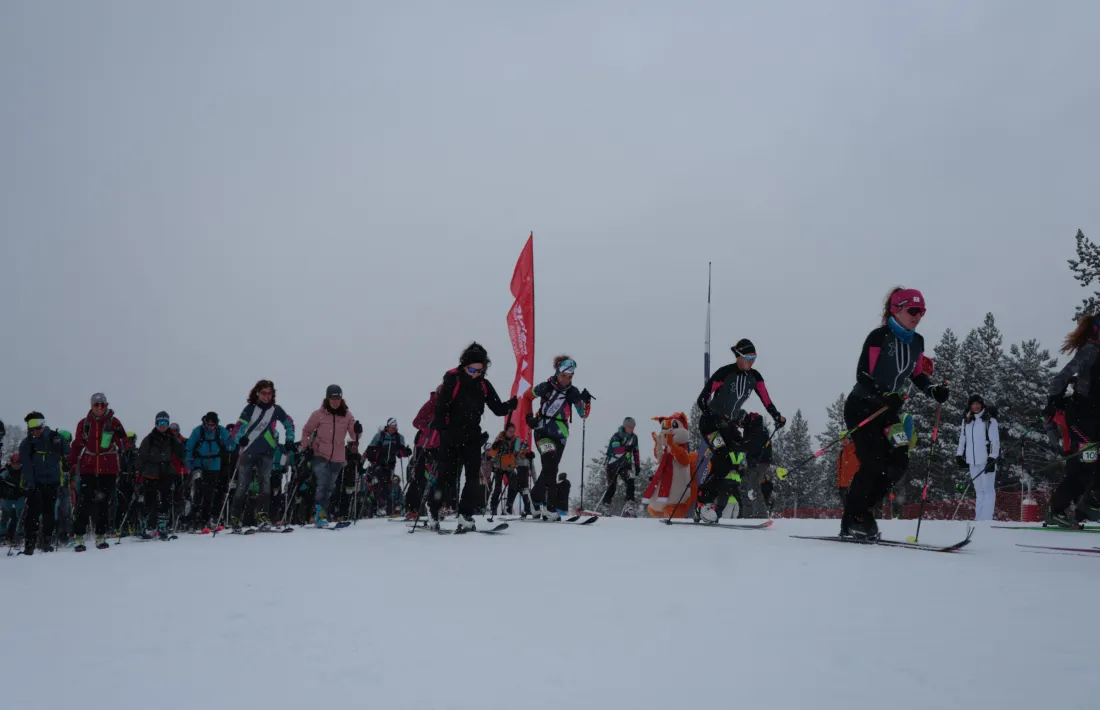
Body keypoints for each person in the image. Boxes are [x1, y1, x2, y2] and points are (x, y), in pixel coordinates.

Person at [842, 288, 949, 539]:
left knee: (899, 462)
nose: (918, 316)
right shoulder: (879, 337)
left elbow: (916, 374)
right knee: (874, 461)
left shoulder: (917, 341)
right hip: (863, 407)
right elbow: (863, 375)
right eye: (913, 310)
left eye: (922, 311)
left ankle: (864, 512)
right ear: (896, 309)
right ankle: (852, 518)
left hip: (889, 412)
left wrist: (932, 390)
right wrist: (884, 394)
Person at [694, 339, 786, 523]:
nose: (752, 362)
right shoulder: (725, 373)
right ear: (738, 356)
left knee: (736, 462)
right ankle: (702, 502)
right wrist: (713, 415)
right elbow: (702, 399)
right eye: (749, 357)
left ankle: (714, 509)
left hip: (728, 426)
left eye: (754, 358)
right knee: (722, 456)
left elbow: (766, 400)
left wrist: (776, 416)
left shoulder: (755, 377)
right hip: (711, 424)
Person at [430, 342, 517, 531]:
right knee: (447, 477)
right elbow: (441, 407)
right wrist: (442, 426)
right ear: (464, 365)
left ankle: (465, 514)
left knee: (472, 477)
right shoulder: (453, 380)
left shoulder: (484, 385)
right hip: (451, 435)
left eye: (480, 370)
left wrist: (510, 404)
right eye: (472, 369)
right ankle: (433, 510)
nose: (476, 373)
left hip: (472, 436)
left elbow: (497, 409)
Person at [1045, 314, 1100, 528]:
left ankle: (1086, 506)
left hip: (1095, 417)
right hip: (1082, 416)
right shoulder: (1090, 350)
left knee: (1090, 464)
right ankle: (1058, 510)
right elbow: (1061, 377)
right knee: (1083, 465)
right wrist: (1053, 399)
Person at [524, 355, 591, 521]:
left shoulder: (573, 392)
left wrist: (586, 401)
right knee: (551, 463)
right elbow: (526, 397)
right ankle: (549, 506)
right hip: (542, 432)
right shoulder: (545, 386)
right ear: (557, 372)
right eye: (563, 376)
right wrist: (528, 416)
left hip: (560, 436)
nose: (566, 380)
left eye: (570, 377)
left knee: (549, 468)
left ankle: (534, 500)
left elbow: (583, 414)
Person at [230, 380, 296, 530]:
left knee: (265, 484)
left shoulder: (276, 410)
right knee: (243, 484)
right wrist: (240, 438)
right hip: (249, 450)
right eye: (264, 393)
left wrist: (290, 439)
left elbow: (289, 423)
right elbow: (239, 427)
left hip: (267, 451)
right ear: (257, 393)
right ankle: (235, 517)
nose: (267, 396)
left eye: (269, 393)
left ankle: (262, 516)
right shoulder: (250, 408)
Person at [69, 393, 131, 551]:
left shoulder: (114, 422)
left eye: (102, 404)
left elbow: (124, 442)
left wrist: (127, 448)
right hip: (88, 467)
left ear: (106, 405)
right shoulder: (84, 424)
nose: (99, 408)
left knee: (103, 503)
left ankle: (100, 536)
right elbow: (77, 444)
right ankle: (79, 537)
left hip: (108, 468)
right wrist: (70, 462)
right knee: (84, 503)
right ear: (91, 406)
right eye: (96, 405)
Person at [300, 385, 360, 526]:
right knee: (323, 482)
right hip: (319, 453)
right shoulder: (318, 414)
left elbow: (353, 435)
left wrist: (358, 430)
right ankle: (319, 515)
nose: (335, 401)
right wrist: (305, 447)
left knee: (330, 486)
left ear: (341, 399)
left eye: (338, 398)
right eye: (332, 398)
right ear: (327, 399)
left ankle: (321, 513)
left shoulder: (347, 415)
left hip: (338, 456)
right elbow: (306, 431)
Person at [18, 412, 71, 554]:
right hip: (35, 483)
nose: (35, 430)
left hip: (52, 482)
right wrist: (30, 484)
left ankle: (46, 541)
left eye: (38, 426)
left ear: (43, 424)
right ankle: (29, 545)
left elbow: (67, 452)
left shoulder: (55, 438)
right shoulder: (27, 444)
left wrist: (59, 444)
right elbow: (26, 465)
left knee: (49, 513)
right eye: (31, 427)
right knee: (33, 514)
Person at [136, 412, 185, 539]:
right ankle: (145, 526)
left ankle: (162, 525)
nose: (162, 426)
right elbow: (141, 456)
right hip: (151, 472)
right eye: (160, 423)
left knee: (166, 499)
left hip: (167, 472)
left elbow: (180, 451)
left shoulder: (171, 438)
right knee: (149, 500)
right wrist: (139, 471)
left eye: (165, 423)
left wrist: (184, 461)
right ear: (156, 423)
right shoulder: (149, 439)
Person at [186, 412, 234, 531]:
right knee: (197, 492)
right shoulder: (198, 431)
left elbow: (231, 444)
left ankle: (204, 519)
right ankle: (192, 520)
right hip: (199, 464)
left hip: (214, 465)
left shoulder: (221, 431)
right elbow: (189, 447)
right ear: (205, 422)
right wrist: (189, 464)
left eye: (213, 424)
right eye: (209, 424)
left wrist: (234, 441)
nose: (211, 427)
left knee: (209, 494)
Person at [955, 394, 1000, 521]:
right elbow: (962, 438)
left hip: (986, 460)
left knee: (988, 489)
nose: (975, 406)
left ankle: (986, 519)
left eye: (978, 404)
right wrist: (959, 454)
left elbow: (994, 441)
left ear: (982, 405)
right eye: (973, 404)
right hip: (972, 461)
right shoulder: (967, 420)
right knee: (979, 490)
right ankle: (979, 518)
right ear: (970, 406)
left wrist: (992, 458)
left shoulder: (989, 420)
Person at [365, 418, 411, 517]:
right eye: (392, 427)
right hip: (378, 464)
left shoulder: (399, 437)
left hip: (390, 465)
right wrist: (376, 452)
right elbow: (370, 448)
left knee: (387, 485)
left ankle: (386, 507)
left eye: (395, 427)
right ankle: (380, 506)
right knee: (382, 481)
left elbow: (401, 452)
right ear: (387, 427)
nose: (394, 429)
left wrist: (405, 452)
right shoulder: (380, 436)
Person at [486, 422, 535, 516]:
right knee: (498, 488)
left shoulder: (516, 440)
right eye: (510, 431)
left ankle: (509, 506)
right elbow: (493, 451)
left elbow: (521, 450)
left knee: (514, 485)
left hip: (510, 466)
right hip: (499, 466)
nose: (511, 433)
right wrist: (492, 452)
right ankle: (493, 508)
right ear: (506, 431)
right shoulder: (500, 438)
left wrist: (528, 454)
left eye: (513, 431)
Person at [408, 389, 442, 519]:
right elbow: (416, 422)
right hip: (423, 444)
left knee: (440, 476)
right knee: (418, 476)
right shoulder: (430, 404)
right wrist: (428, 424)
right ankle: (414, 507)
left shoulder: (449, 406)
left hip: (438, 446)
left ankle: (435, 506)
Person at [599, 417, 641, 516]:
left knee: (630, 480)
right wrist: (627, 448)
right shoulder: (617, 436)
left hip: (626, 464)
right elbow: (616, 450)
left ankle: (629, 504)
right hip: (612, 464)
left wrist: (637, 464)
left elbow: (636, 452)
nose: (632, 429)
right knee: (612, 486)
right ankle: (605, 504)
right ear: (625, 427)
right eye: (630, 427)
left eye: (633, 427)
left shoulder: (634, 437)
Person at [1, 453, 25, 545]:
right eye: (14, 463)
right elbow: (2, 476)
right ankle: (2, 537)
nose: (16, 465)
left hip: (19, 497)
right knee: (5, 517)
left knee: (20, 517)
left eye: (18, 463)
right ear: (11, 463)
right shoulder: (6, 471)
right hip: (7, 498)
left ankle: (19, 537)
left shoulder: (23, 472)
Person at [836, 437, 859, 506]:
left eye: (845, 439)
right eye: (842, 440)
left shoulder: (857, 450)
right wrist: (839, 485)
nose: (844, 441)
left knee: (858, 508)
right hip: (843, 487)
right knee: (848, 510)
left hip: (856, 485)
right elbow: (839, 470)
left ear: (850, 439)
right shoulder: (841, 453)